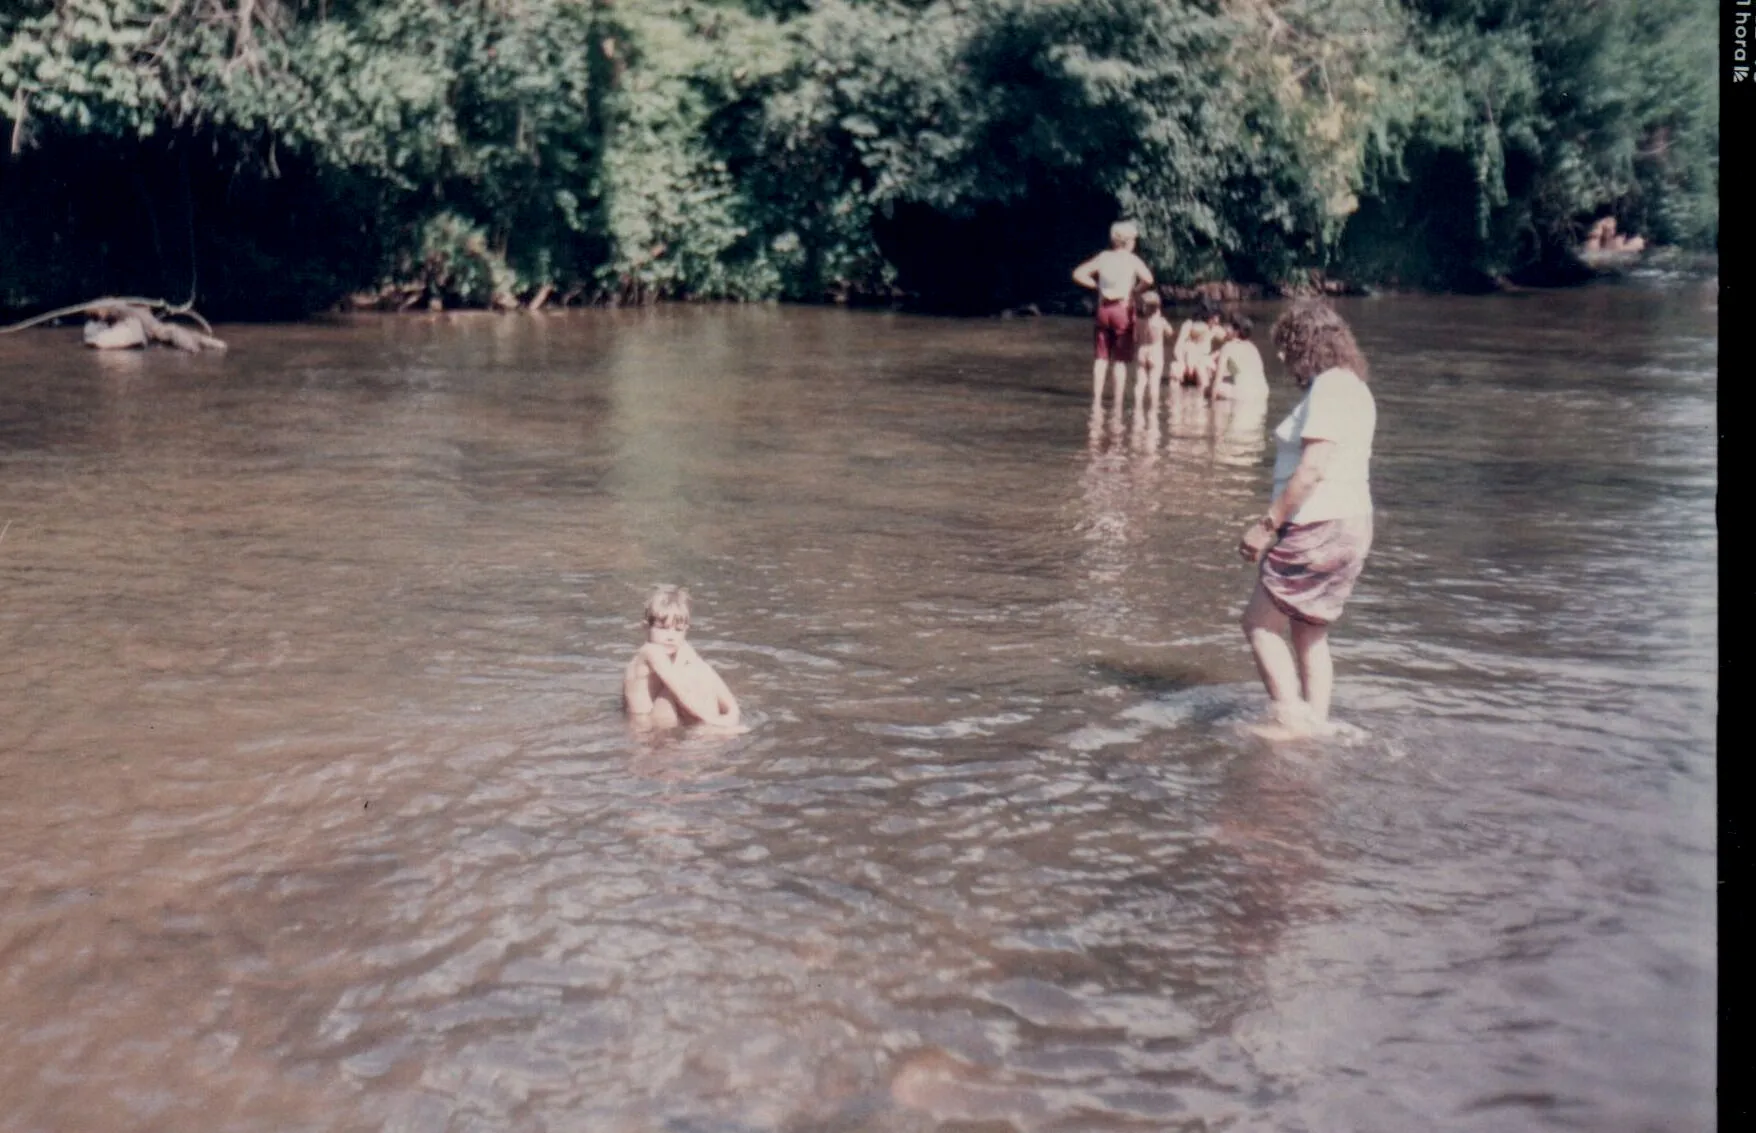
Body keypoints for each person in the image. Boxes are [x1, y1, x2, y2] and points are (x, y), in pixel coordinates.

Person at [1236, 301, 1376, 740]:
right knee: (1310, 633)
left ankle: (1290, 719)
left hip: (1318, 524)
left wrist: (1267, 525)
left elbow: (1313, 468)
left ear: (1309, 345)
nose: (1282, 358)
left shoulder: (1331, 389)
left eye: (1288, 347)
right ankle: (1316, 726)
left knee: (1259, 624)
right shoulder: (1354, 387)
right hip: (1350, 524)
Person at [623, 585, 741, 730]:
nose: (671, 637)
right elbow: (681, 692)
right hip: (645, 727)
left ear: (686, 630)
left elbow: (709, 675)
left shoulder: (680, 647)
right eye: (663, 628)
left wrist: (733, 711)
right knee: (688, 674)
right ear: (646, 627)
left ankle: (705, 729)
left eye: (678, 630)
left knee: (697, 670)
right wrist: (713, 721)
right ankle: (707, 731)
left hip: (662, 719)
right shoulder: (651, 651)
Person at [1072, 222, 1155, 404]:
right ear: (1128, 242)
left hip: (1103, 309)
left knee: (1101, 358)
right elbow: (1149, 279)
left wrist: (1096, 286)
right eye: (1134, 239)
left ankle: (1096, 400)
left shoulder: (1104, 257)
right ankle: (1117, 403)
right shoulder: (1132, 260)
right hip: (1122, 310)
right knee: (1119, 360)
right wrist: (1135, 291)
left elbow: (1078, 274)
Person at [1207, 313, 1270, 409]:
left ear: (1236, 331)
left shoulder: (1228, 347)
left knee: (1213, 388)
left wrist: (1210, 405)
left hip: (1243, 394)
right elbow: (1239, 371)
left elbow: (1217, 381)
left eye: (1228, 327)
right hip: (1263, 393)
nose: (1225, 330)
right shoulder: (1253, 348)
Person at [1168, 301, 1224, 391]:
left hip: (1203, 362)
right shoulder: (1188, 325)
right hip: (1185, 362)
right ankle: (1174, 400)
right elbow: (1177, 348)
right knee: (1175, 368)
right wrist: (1182, 362)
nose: (1217, 320)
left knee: (1205, 367)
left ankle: (1201, 397)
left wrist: (1216, 354)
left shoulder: (1215, 329)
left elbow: (1231, 343)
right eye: (1216, 316)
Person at [1131, 290, 1172, 412]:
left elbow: (1135, 338)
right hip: (1155, 352)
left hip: (1142, 351)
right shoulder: (1161, 321)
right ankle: (1153, 410)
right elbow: (1170, 333)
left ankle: (1137, 407)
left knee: (1140, 383)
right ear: (1158, 307)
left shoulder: (1138, 321)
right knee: (1154, 383)